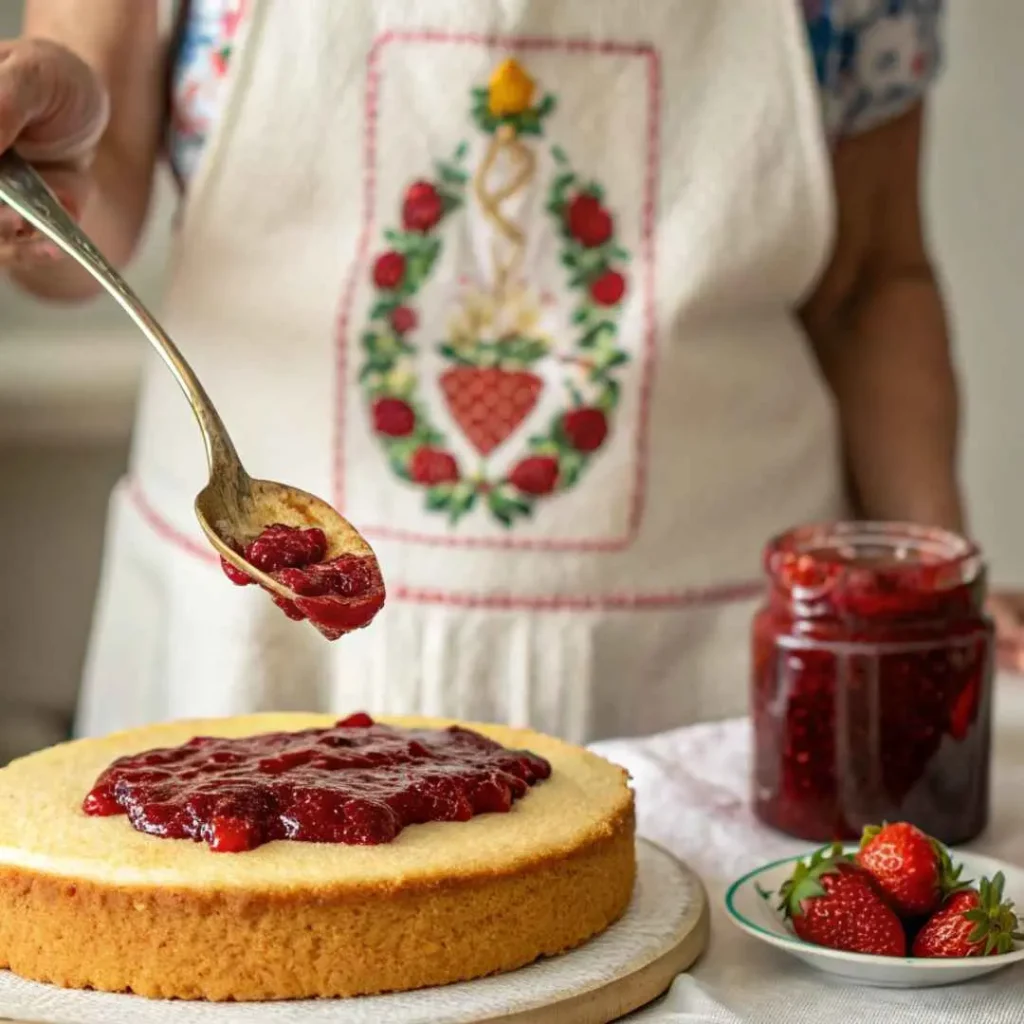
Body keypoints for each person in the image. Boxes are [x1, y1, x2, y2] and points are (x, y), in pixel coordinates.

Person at [1, 0, 1019, 747]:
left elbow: (867, 281)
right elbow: (92, 204)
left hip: (700, 678)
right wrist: (49, 176)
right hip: (258, 657)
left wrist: (933, 591)